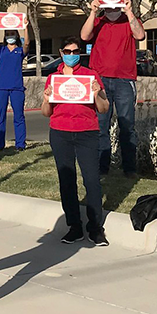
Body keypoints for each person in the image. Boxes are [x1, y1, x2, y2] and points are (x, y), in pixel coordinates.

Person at [42, 36, 111, 245]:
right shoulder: (54, 78)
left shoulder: (90, 76)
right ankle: (74, 226)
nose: (72, 55)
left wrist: (97, 95)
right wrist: (46, 99)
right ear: (61, 53)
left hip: (86, 132)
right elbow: (46, 112)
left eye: (75, 51)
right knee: (67, 181)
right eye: (68, 51)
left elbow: (104, 108)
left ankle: (96, 227)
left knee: (91, 180)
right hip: (60, 132)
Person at [80, 0, 146, 177]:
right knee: (100, 125)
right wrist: (92, 12)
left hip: (125, 80)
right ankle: (102, 168)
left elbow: (140, 35)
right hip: (100, 81)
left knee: (127, 125)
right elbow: (84, 36)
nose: (110, 5)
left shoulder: (129, 20)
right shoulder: (98, 21)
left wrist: (129, 11)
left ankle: (129, 169)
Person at [0, 20, 27, 151]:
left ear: (17, 35)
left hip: (17, 87)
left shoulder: (20, 51)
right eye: (7, 34)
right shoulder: (2, 50)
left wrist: (25, 27)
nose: (10, 36)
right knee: (0, 116)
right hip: (1, 87)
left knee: (19, 116)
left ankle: (20, 144)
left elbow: (27, 43)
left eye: (12, 33)